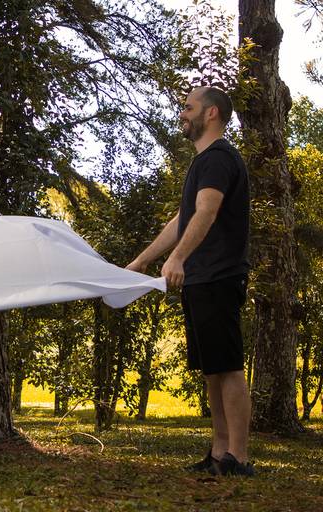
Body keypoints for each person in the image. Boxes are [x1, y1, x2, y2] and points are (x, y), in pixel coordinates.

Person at [126, 87, 254, 476]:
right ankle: (219, 453)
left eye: (188, 107)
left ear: (211, 113)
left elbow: (207, 210)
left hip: (218, 274)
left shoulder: (218, 159)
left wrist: (178, 257)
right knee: (213, 367)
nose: (182, 113)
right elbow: (181, 220)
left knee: (228, 366)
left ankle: (240, 458)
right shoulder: (203, 163)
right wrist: (139, 262)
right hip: (201, 278)